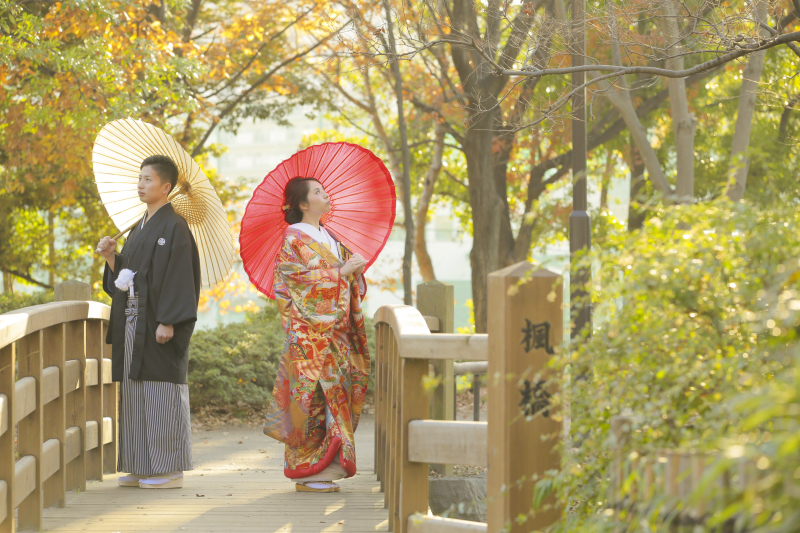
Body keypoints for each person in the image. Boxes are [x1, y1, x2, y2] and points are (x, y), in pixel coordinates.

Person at [96, 155, 201, 489]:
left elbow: (180, 276)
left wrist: (169, 320)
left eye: (147, 180)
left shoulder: (175, 226)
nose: (140, 185)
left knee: (160, 392)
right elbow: (127, 278)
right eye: (139, 179)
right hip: (132, 323)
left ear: (166, 187)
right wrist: (113, 258)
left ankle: (170, 470)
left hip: (158, 323)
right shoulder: (139, 227)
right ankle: (141, 465)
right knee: (135, 392)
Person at [263, 177, 370, 493]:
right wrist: (342, 273)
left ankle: (328, 469)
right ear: (303, 204)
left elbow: (350, 284)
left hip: (335, 335)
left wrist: (355, 274)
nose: (326, 194)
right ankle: (307, 472)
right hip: (310, 335)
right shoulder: (293, 239)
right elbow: (293, 283)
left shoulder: (330, 237)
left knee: (335, 401)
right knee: (311, 402)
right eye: (318, 191)